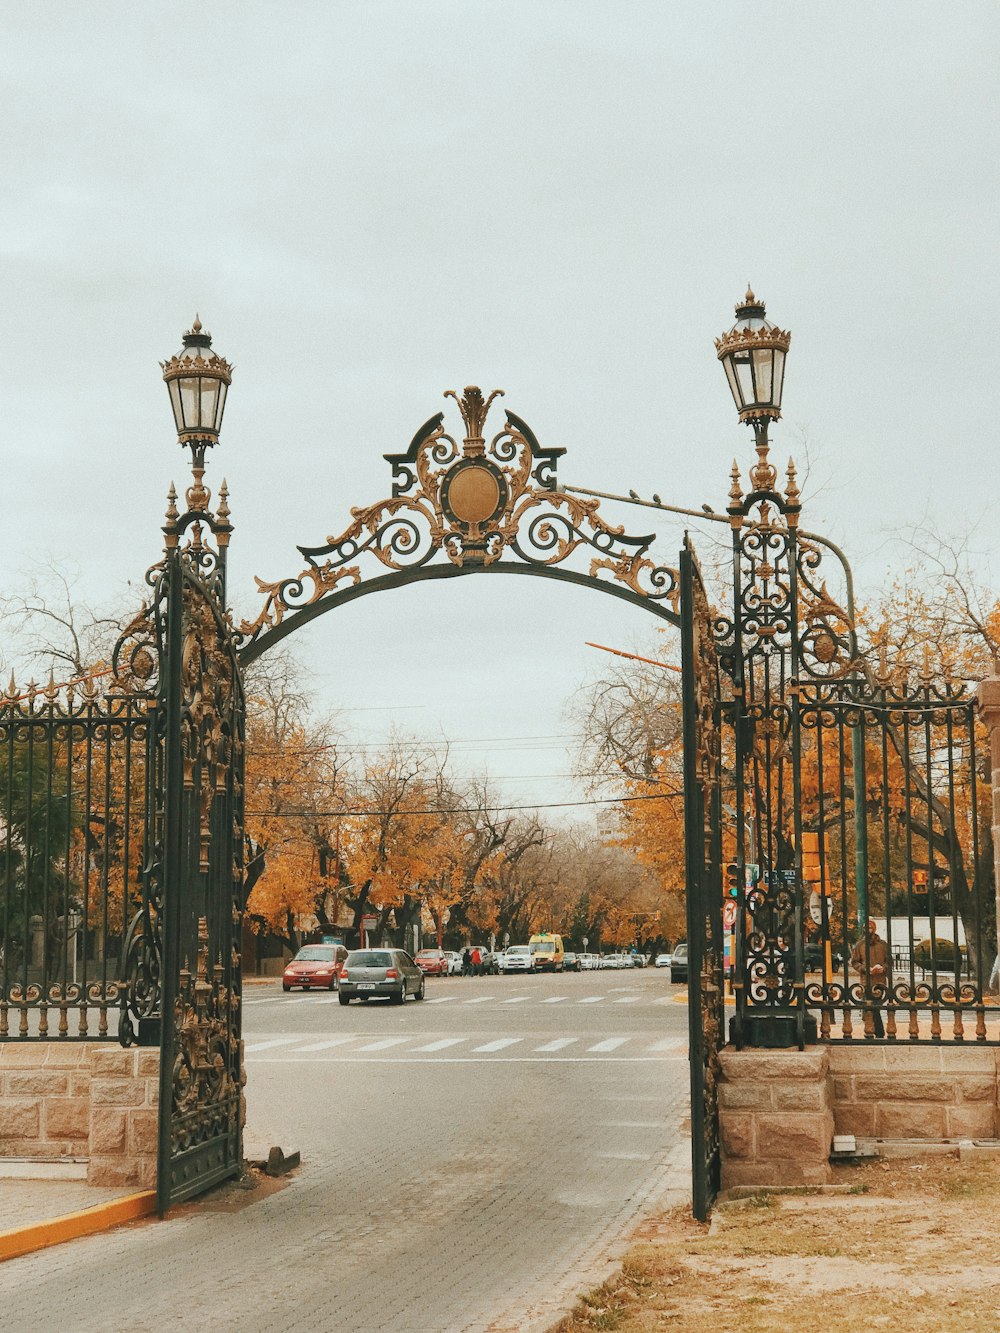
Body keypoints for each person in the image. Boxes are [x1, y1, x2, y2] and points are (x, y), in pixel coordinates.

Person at [851, 917, 888, 1038]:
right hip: (866, 980)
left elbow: (889, 961)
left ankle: (875, 1031)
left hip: (880, 981)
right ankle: (877, 1032)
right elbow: (855, 962)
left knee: (875, 1007)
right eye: (866, 927)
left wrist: (883, 968)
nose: (868, 929)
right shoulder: (860, 945)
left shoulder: (883, 945)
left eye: (870, 927)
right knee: (870, 1007)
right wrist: (866, 969)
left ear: (874, 928)